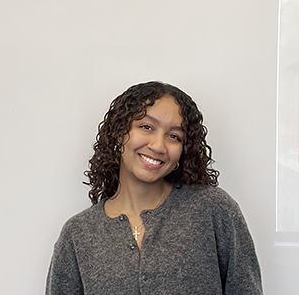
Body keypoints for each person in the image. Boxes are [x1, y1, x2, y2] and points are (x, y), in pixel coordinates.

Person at [46, 81, 263, 294]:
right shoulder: (78, 233)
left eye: (174, 136)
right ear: (119, 132)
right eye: (146, 127)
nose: (158, 146)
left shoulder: (212, 209)